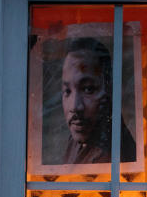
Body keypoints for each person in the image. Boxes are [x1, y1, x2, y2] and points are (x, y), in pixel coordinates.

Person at [57, 37, 136, 165]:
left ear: (109, 90)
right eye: (67, 91)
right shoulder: (77, 139)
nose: (75, 106)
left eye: (88, 89)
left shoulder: (115, 156)